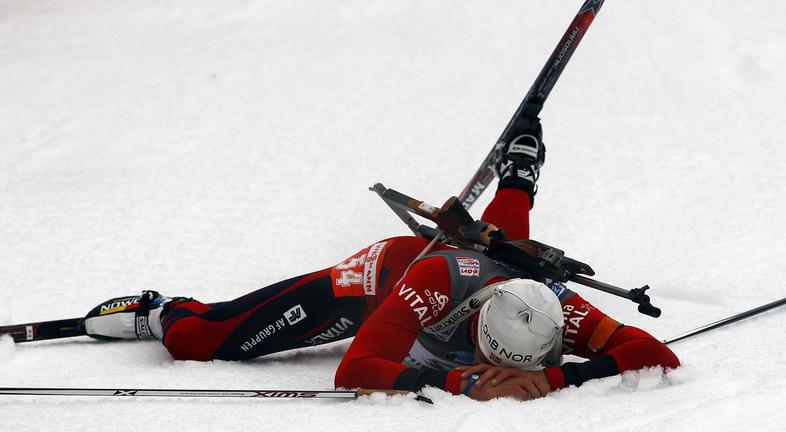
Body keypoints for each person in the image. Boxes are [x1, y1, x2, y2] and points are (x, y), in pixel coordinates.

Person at [83, 118, 680, 400]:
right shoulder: (433, 284)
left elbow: (656, 353)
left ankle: (520, 175)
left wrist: (555, 376)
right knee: (200, 342)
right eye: (492, 356)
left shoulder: (556, 310)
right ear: (480, 326)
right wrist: (458, 381)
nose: (503, 374)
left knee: (512, 252)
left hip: (493, 270)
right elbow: (357, 368)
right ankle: (161, 309)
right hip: (385, 281)